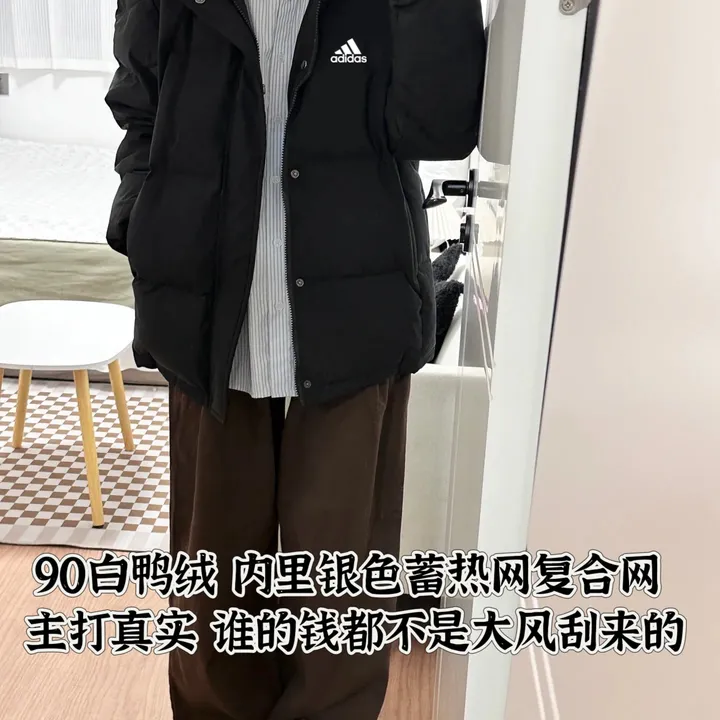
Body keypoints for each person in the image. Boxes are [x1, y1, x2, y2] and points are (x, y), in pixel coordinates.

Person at [106, 0, 486, 718]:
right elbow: (139, 106)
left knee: (342, 597)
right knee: (211, 591)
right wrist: (141, 221)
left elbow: (437, 126)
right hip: (208, 311)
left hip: (357, 310)